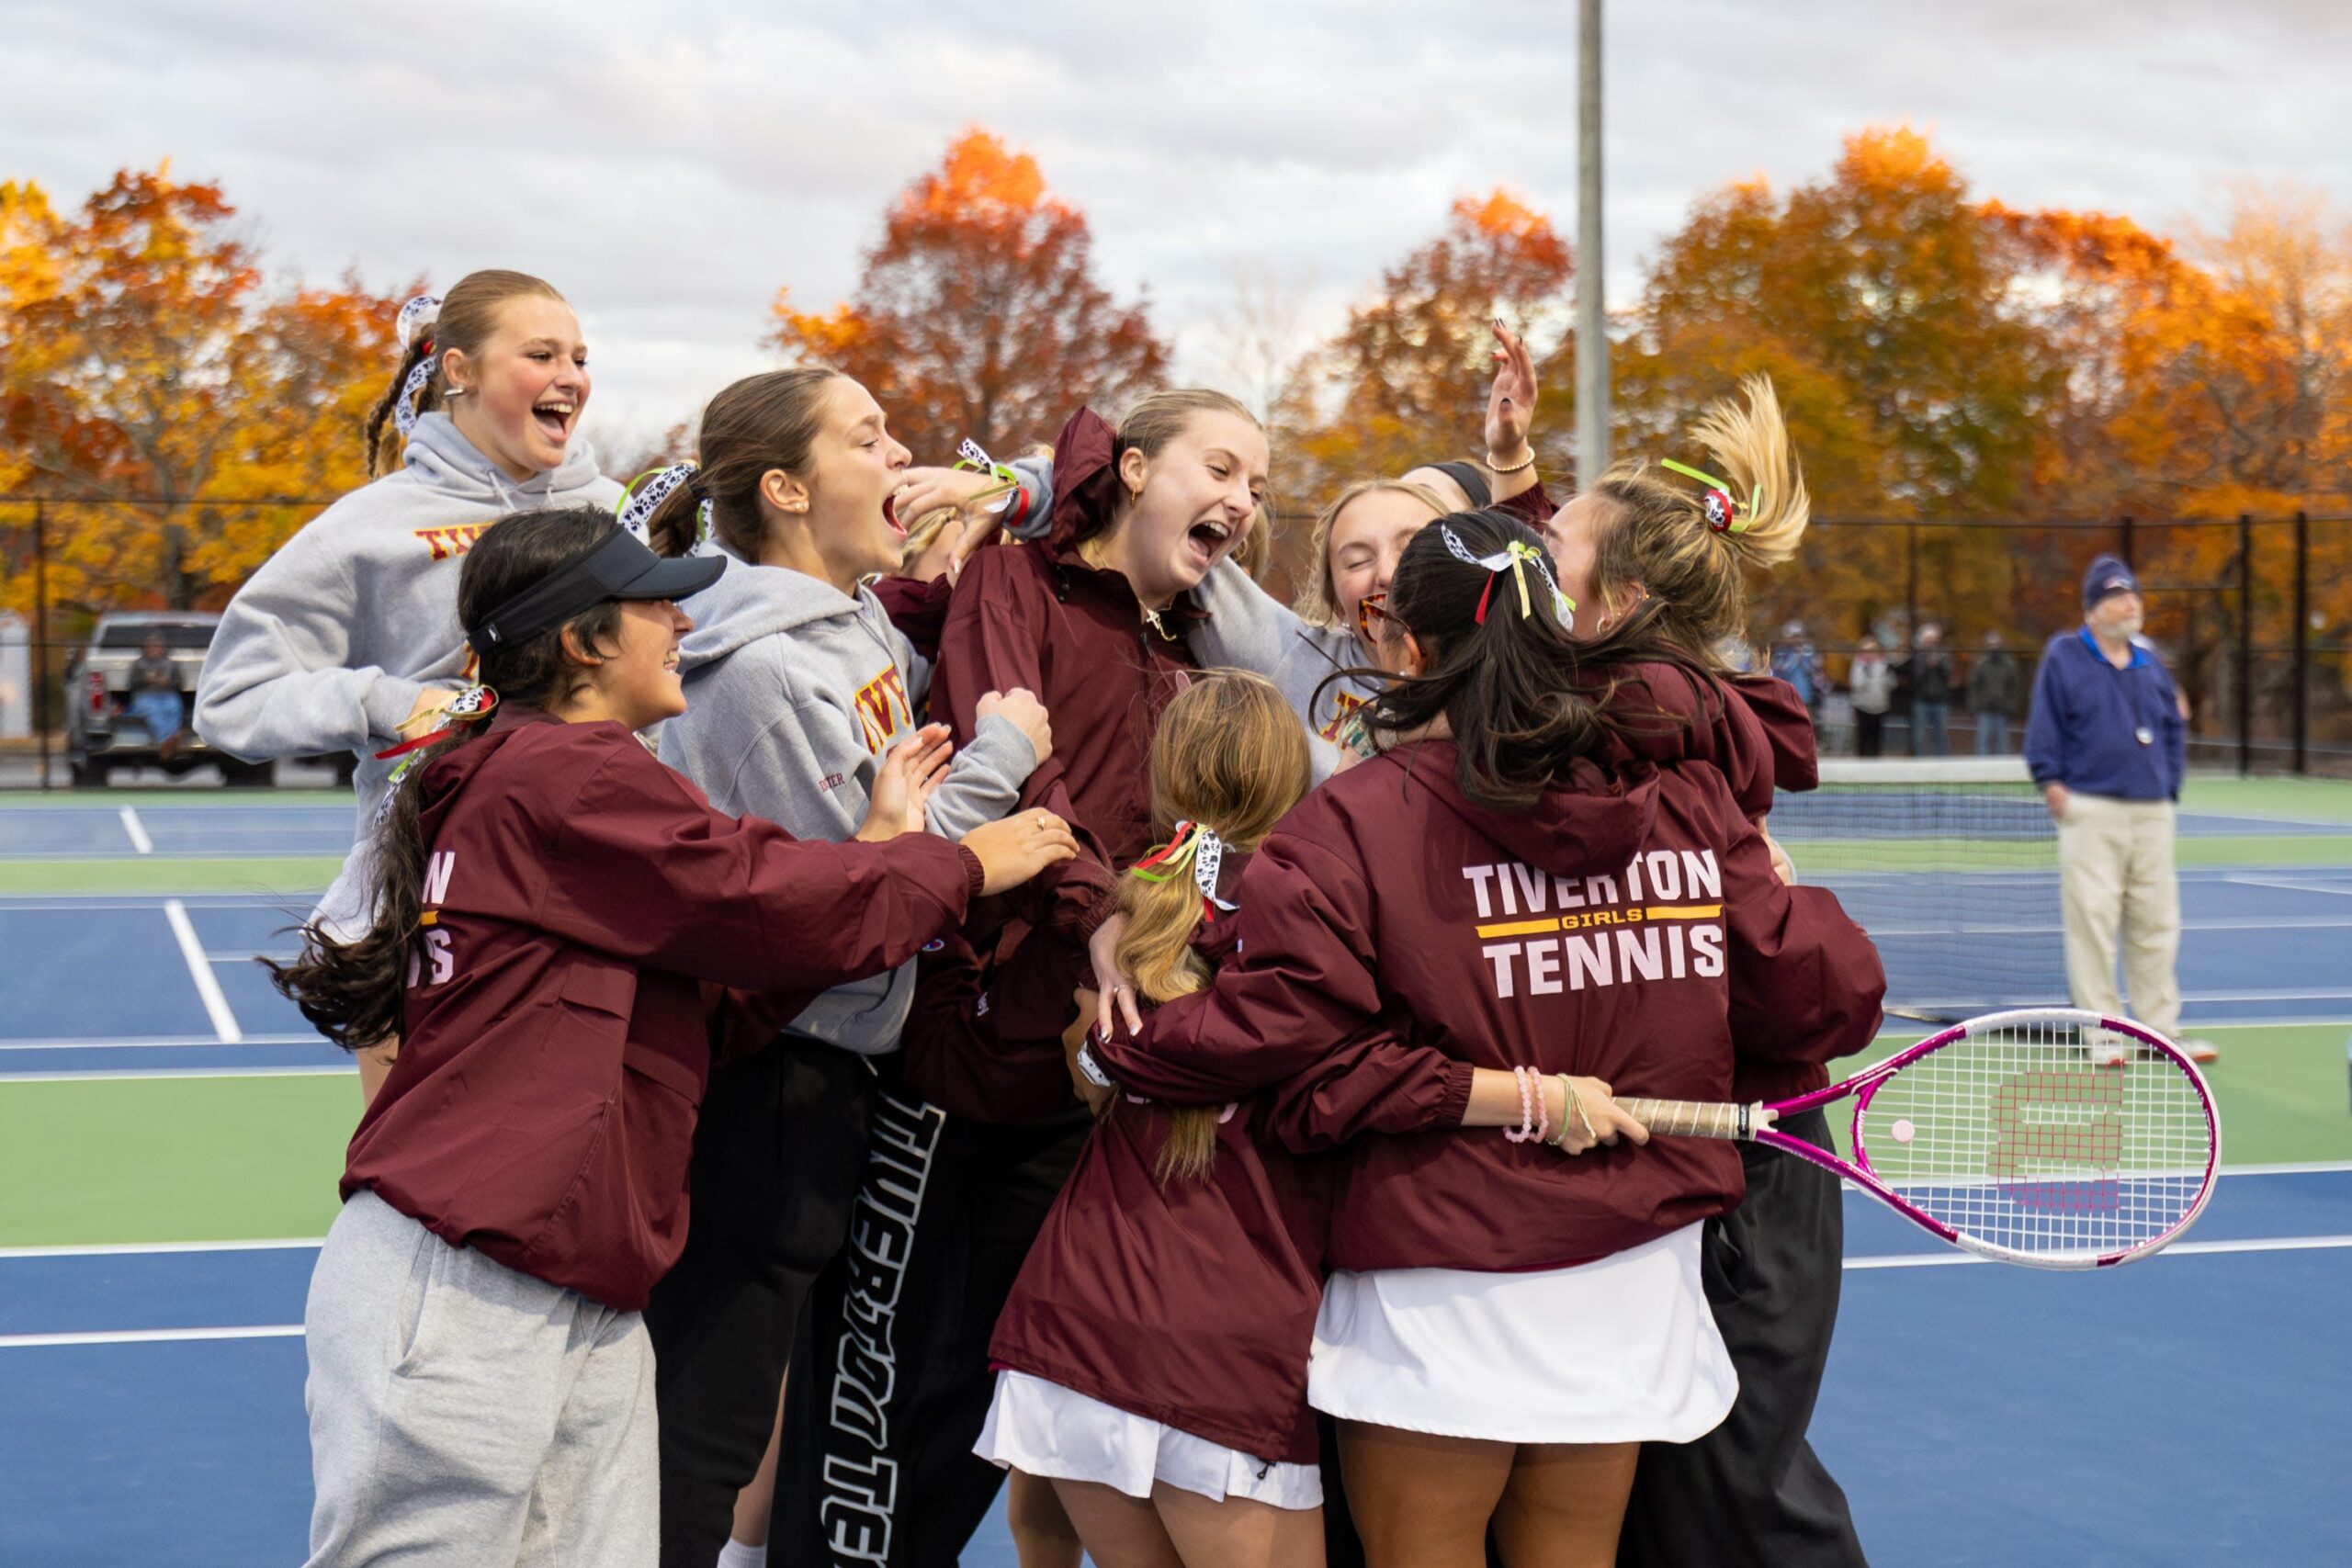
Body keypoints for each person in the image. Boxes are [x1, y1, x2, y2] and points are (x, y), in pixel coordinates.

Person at [266, 506, 1077, 1568]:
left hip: (570, 1279)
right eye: (654, 603)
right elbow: (761, 893)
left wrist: (876, 851)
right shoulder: (566, 776)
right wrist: (961, 862)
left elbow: (717, 999)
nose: (681, 622)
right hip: (475, 1281)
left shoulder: (537, 783)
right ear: (582, 640)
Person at [1081, 511, 1884, 1568]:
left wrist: (1119, 1045)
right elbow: (1823, 997)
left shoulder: (1349, 824)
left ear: (1408, 652)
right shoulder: (1687, 796)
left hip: (1437, 1269)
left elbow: (1293, 1056)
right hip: (1629, 1274)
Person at [771, 389, 1270, 1568]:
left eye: (1258, 484)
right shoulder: (1013, 585)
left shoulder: (1196, 647)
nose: (1242, 500)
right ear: (1136, 469)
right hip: (964, 1062)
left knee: (1036, 1415)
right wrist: (1099, 919)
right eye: (1220, 467)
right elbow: (1018, 763)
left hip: (1099, 1083)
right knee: (889, 1406)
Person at [630, 368, 1055, 1568]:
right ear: (787, 487)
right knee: (701, 1422)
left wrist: (994, 506)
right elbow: (861, 886)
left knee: (771, 1395)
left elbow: (893, 802)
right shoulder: (765, 672)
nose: (899, 452)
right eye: (868, 438)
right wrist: (1008, 754)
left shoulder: (851, 618)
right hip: (774, 1075)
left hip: (837, 1066)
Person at [196, 271, 625, 1101]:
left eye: (579, 355)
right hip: (425, 905)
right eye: (541, 354)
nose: (571, 375)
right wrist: (388, 702)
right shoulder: (368, 528)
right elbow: (231, 696)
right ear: (458, 370)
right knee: (416, 1184)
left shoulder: (613, 515)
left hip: (599, 885)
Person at [2025, 555, 2218, 1065]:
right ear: (2093, 609)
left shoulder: (2149, 660)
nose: (2130, 603)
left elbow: (2175, 722)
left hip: (2152, 812)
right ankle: (2103, 1037)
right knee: (2092, 923)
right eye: (2117, 596)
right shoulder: (2064, 655)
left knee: (2156, 923)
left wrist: (2169, 783)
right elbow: (2043, 725)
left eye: (2133, 595)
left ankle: (2161, 1033)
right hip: (2090, 810)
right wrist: (2051, 782)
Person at [125, 631, 185, 761]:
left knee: (173, 706)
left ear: (163, 648)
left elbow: (179, 683)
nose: (154, 649)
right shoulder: (138, 664)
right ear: (145, 648)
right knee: (153, 710)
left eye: (157, 646)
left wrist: (167, 682)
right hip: (145, 695)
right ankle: (167, 740)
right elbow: (132, 684)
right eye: (151, 646)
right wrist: (146, 680)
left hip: (167, 693)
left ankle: (170, 738)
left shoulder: (171, 664)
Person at [1968, 630, 2021, 754]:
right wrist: (1975, 706)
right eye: (1991, 644)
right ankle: (1982, 769)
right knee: (1982, 743)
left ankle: (2003, 771)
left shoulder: (2009, 665)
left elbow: (2013, 688)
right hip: (1984, 709)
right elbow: (1974, 687)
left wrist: (2011, 706)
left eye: (1996, 644)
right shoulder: (1980, 664)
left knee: (2003, 744)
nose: (1994, 647)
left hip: (2002, 709)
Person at [1905, 624, 1954, 756]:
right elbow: (1915, 676)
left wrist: (1939, 664)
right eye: (1928, 641)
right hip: (1922, 700)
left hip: (1940, 700)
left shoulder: (1944, 655)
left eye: (1934, 641)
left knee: (1940, 735)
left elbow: (1948, 676)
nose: (1931, 644)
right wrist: (1926, 664)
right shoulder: (1918, 656)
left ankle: (1941, 763)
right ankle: (1919, 763)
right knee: (1919, 736)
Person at [1847, 637, 1894, 758]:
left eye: (1873, 650)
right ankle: (1861, 761)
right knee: (1863, 737)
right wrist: (1866, 671)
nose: (1870, 654)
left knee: (1876, 738)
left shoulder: (1884, 664)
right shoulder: (1858, 664)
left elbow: (1892, 684)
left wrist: (1888, 675)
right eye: (1867, 650)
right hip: (1862, 706)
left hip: (1879, 706)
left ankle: (1875, 761)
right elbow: (1857, 684)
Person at [1770, 621, 1825, 722]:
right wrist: (1794, 659)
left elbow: (1817, 673)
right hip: (1787, 698)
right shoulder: (1781, 653)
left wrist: (1803, 658)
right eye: (1794, 636)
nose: (1797, 639)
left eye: (1799, 636)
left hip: (1808, 698)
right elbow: (1777, 673)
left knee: (1807, 723)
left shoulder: (1810, 652)